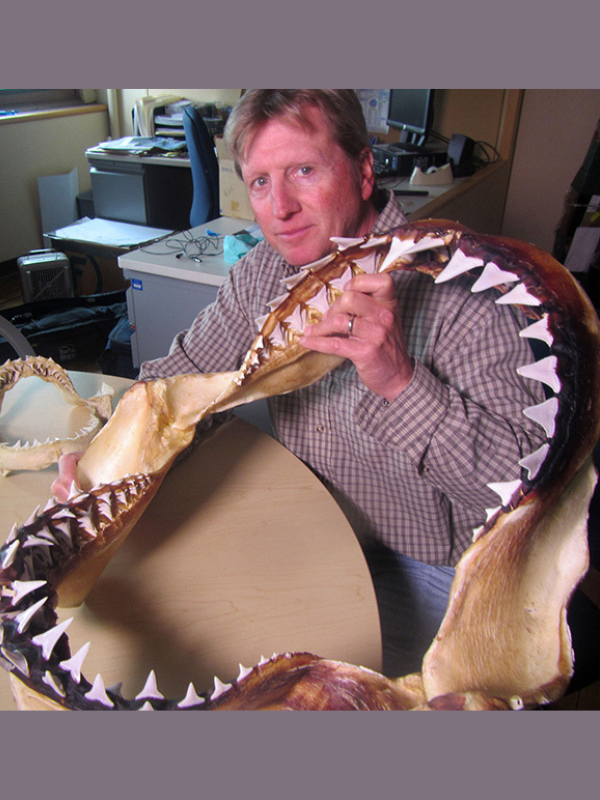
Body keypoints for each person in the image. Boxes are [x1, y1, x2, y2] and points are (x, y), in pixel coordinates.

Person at [54, 90, 545, 676]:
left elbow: (528, 493)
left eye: (304, 171)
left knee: (302, 694)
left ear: (364, 171)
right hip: (315, 520)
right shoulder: (264, 272)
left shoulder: (469, 291)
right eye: (260, 182)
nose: (279, 208)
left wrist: (399, 380)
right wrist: (103, 452)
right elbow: (176, 383)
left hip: (436, 566)